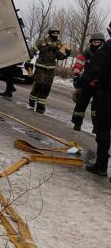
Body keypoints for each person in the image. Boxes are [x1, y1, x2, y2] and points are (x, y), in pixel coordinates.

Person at [76, 22, 111, 177]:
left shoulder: (108, 47)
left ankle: (101, 166)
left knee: (103, 130)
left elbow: (95, 67)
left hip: (108, 95)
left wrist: (80, 81)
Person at [28, 27, 71, 113]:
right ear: (50, 33)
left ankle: (41, 105)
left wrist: (66, 54)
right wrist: (28, 62)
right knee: (39, 84)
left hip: (51, 68)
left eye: (56, 33)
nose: (55, 35)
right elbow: (32, 51)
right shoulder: (42, 41)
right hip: (40, 66)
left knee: (47, 87)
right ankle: (32, 98)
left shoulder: (60, 44)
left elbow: (59, 57)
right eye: (53, 33)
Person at [71, 32, 106, 131]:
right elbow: (78, 65)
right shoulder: (86, 53)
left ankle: (97, 127)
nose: (97, 44)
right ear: (91, 42)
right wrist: (77, 75)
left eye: (99, 42)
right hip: (87, 84)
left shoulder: (105, 54)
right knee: (81, 104)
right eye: (95, 42)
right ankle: (77, 123)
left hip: (100, 84)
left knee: (98, 107)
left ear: (102, 43)